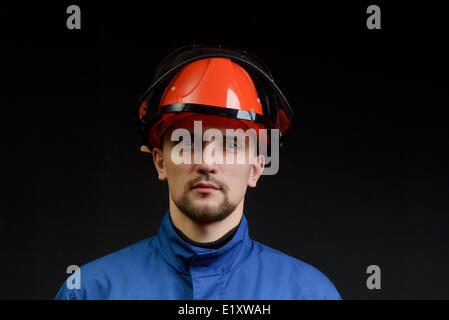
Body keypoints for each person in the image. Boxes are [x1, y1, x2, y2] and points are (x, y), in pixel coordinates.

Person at [55, 44, 341, 300]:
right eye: (188, 142)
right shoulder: (90, 291)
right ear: (160, 162)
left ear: (255, 169)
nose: (207, 161)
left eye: (230, 144)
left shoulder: (309, 294)